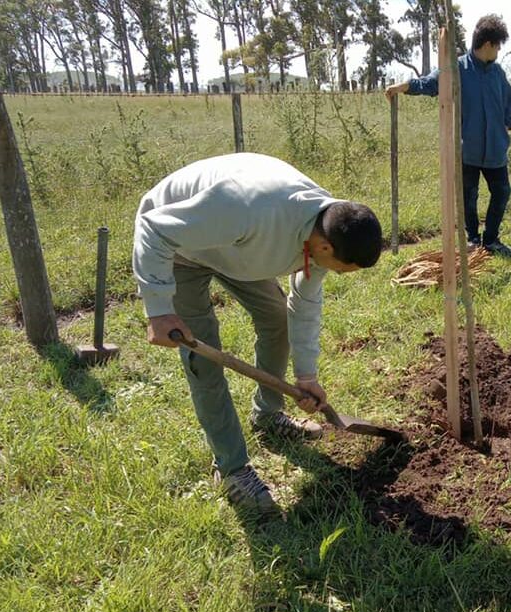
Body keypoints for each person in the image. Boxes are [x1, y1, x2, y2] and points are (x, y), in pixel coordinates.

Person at [132, 152, 383, 511]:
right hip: (179, 246)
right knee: (203, 357)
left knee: (277, 320)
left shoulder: (324, 227)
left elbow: (305, 305)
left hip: (234, 246)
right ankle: (231, 467)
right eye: (343, 270)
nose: (339, 274)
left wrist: (306, 374)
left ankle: (268, 413)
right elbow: (153, 228)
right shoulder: (249, 208)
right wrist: (158, 310)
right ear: (325, 247)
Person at [385, 14, 511, 255]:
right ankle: (474, 239)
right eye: (498, 46)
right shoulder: (457, 69)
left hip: (496, 149)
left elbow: (510, 98)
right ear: (488, 45)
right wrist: (403, 87)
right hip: (468, 149)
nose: (499, 51)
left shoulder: (498, 73)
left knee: (502, 192)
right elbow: (430, 83)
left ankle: (491, 240)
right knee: (469, 196)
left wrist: (507, 122)